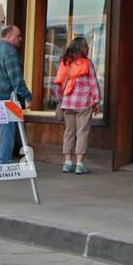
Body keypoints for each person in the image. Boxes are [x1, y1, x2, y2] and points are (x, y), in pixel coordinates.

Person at [0, 24, 31, 165]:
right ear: (8, 36)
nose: (20, 39)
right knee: (4, 135)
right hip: (4, 101)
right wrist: (28, 96)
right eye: (18, 36)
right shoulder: (10, 54)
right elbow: (17, 80)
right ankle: (3, 165)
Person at [55, 36, 99, 174]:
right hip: (83, 104)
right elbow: (93, 84)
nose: (89, 48)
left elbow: (58, 84)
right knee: (82, 133)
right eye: (87, 46)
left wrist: (60, 98)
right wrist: (96, 101)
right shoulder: (87, 64)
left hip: (68, 103)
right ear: (82, 48)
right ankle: (79, 164)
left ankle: (67, 162)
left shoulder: (65, 63)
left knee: (69, 132)